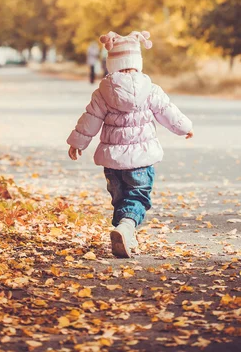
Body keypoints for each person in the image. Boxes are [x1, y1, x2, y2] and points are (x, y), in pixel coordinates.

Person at [67, 30, 194, 258]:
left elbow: (90, 120)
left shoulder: (102, 92)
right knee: (137, 198)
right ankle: (126, 229)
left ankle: (123, 233)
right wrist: (185, 127)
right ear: (138, 63)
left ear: (111, 64)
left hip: (112, 162)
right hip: (141, 161)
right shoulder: (151, 90)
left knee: (120, 200)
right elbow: (168, 113)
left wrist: (78, 142)